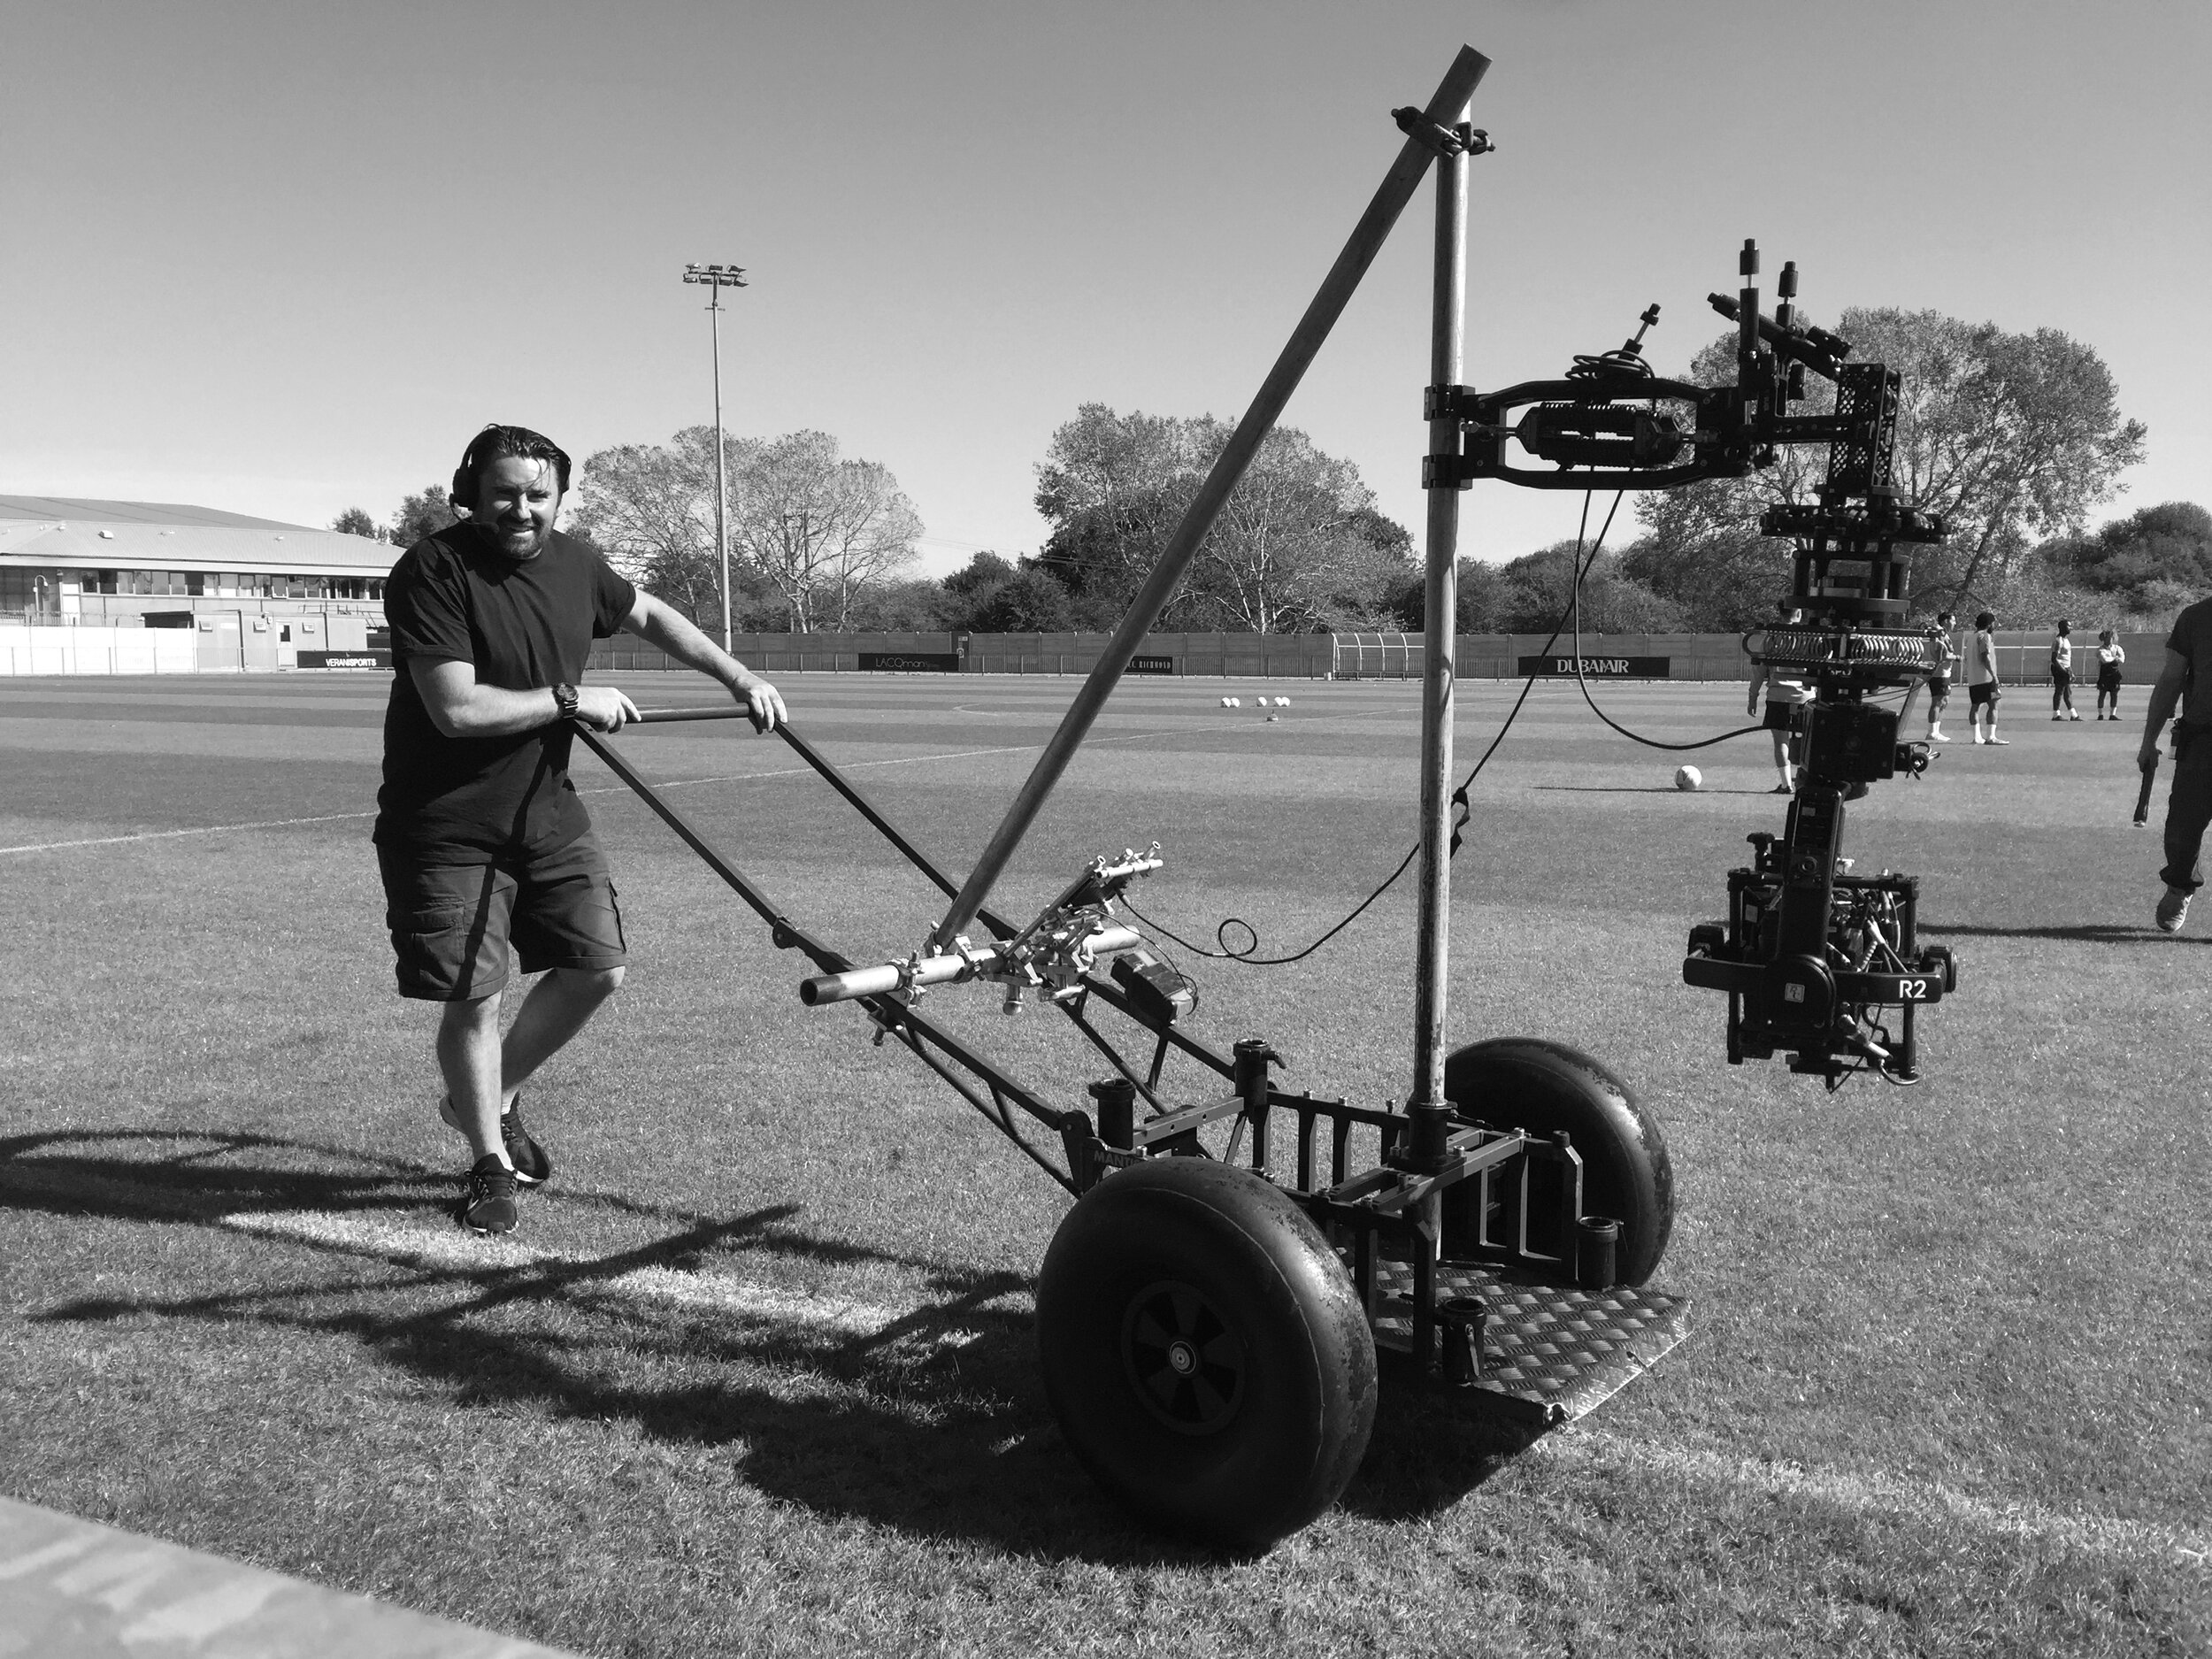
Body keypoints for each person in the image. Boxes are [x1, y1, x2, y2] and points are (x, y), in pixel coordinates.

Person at [375, 425, 789, 1234]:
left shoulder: (575, 563)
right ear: (470, 491)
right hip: (447, 826)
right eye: (505, 493)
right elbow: (456, 709)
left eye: (539, 494)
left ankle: (483, 1100)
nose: (522, 509)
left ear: (561, 499)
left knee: (598, 968)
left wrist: (738, 675)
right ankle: (488, 1162)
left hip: (546, 809)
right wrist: (570, 699)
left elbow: (651, 613)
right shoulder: (432, 570)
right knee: (475, 995)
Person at [2140, 595, 2212, 933]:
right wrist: (2148, 740)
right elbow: (2171, 678)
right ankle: (2179, 884)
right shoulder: (2196, 618)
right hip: (2202, 739)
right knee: (2182, 830)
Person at [1746, 597, 1806, 792]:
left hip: (1778, 696)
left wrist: (1752, 697)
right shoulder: (1809, 638)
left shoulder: (1769, 639)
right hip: (1805, 698)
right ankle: (1807, 782)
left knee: (1781, 742)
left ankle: (1786, 784)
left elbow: (1759, 672)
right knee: (1810, 742)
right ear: (1798, 613)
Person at [1898, 611, 1957, 742]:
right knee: (1938, 701)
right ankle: (1932, 732)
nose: (1955, 623)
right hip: (1939, 673)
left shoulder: (1942, 633)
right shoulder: (1939, 633)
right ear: (1946, 621)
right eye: (1953, 620)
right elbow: (1941, 655)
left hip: (1944, 673)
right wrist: (1957, 657)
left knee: (1944, 701)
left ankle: (1936, 731)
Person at [1967, 610, 2008, 744]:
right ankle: (1991, 736)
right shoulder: (1985, 636)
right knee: (1995, 704)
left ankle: (1976, 737)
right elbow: (1985, 657)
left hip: (1974, 678)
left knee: (1975, 707)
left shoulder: (1972, 637)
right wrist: (1994, 676)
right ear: (1989, 624)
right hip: (1986, 678)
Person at [2049, 619, 2080, 720]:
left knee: (2068, 691)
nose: (2070, 628)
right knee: (2060, 691)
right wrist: (2063, 671)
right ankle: (2056, 714)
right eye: (2068, 626)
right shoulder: (2058, 641)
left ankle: (2073, 714)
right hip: (2059, 668)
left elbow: (2067, 658)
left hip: (2066, 668)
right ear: (2062, 627)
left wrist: (2070, 671)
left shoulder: (2066, 640)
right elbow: (2054, 659)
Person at [2095, 628, 2126, 719]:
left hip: (2114, 675)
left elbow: (2122, 660)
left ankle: (2112, 715)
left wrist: (2112, 658)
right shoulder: (2100, 650)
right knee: (2102, 694)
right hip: (2104, 675)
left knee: (2114, 694)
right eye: (2107, 638)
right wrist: (2114, 658)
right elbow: (2104, 659)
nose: (2109, 640)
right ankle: (2100, 714)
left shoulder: (2117, 648)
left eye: (2111, 638)